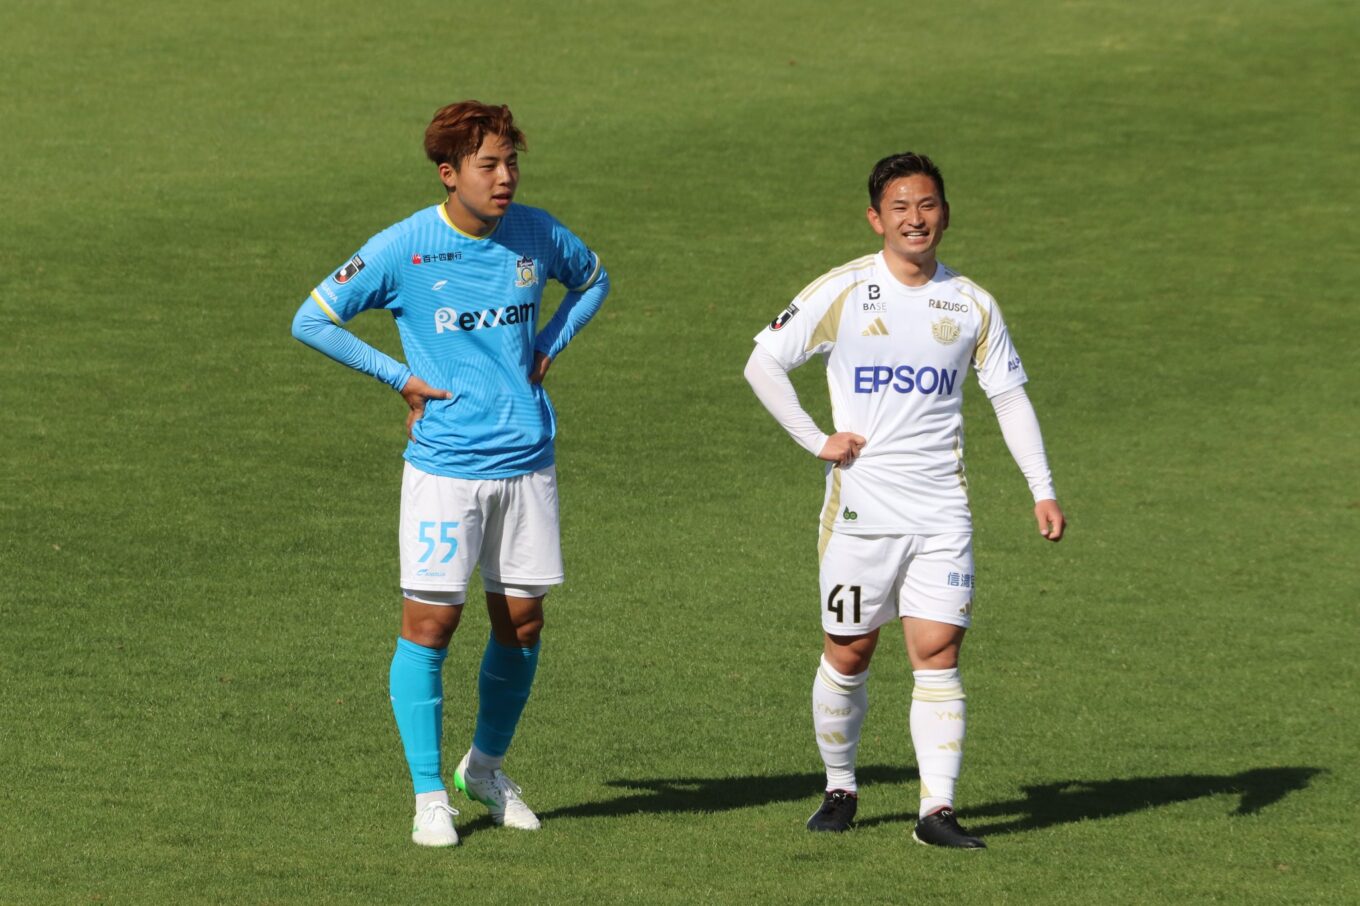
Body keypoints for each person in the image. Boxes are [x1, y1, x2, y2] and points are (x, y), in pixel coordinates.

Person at [291, 101, 609, 847]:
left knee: (523, 623)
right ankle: (429, 793)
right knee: (432, 624)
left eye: (511, 163)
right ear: (448, 173)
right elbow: (313, 319)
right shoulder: (405, 247)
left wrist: (549, 343)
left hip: (527, 461)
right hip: (446, 469)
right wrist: (398, 378)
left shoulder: (536, 232)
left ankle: (485, 770)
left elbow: (592, 279)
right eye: (488, 165)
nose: (505, 178)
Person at [744, 152, 1064, 848]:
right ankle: (840, 788)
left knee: (938, 651)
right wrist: (816, 439)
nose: (915, 219)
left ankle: (936, 811)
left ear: (945, 213)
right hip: (861, 512)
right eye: (900, 208)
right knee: (850, 651)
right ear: (875, 219)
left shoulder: (972, 304)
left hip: (942, 511)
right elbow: (762, 361)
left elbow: (1009, 397)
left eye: (926, 205)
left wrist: (1042, 489)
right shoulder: (844, 291)